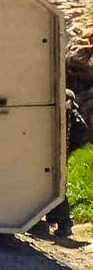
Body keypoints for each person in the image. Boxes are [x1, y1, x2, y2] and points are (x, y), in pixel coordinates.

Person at [38, 90, 89, 238]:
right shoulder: (64, 115)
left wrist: (66, 151)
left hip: (58, 157)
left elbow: (80, 135)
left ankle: (64, 224)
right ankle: (53, 220)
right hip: (54, 156)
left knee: (57, 188)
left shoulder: (72, 117)